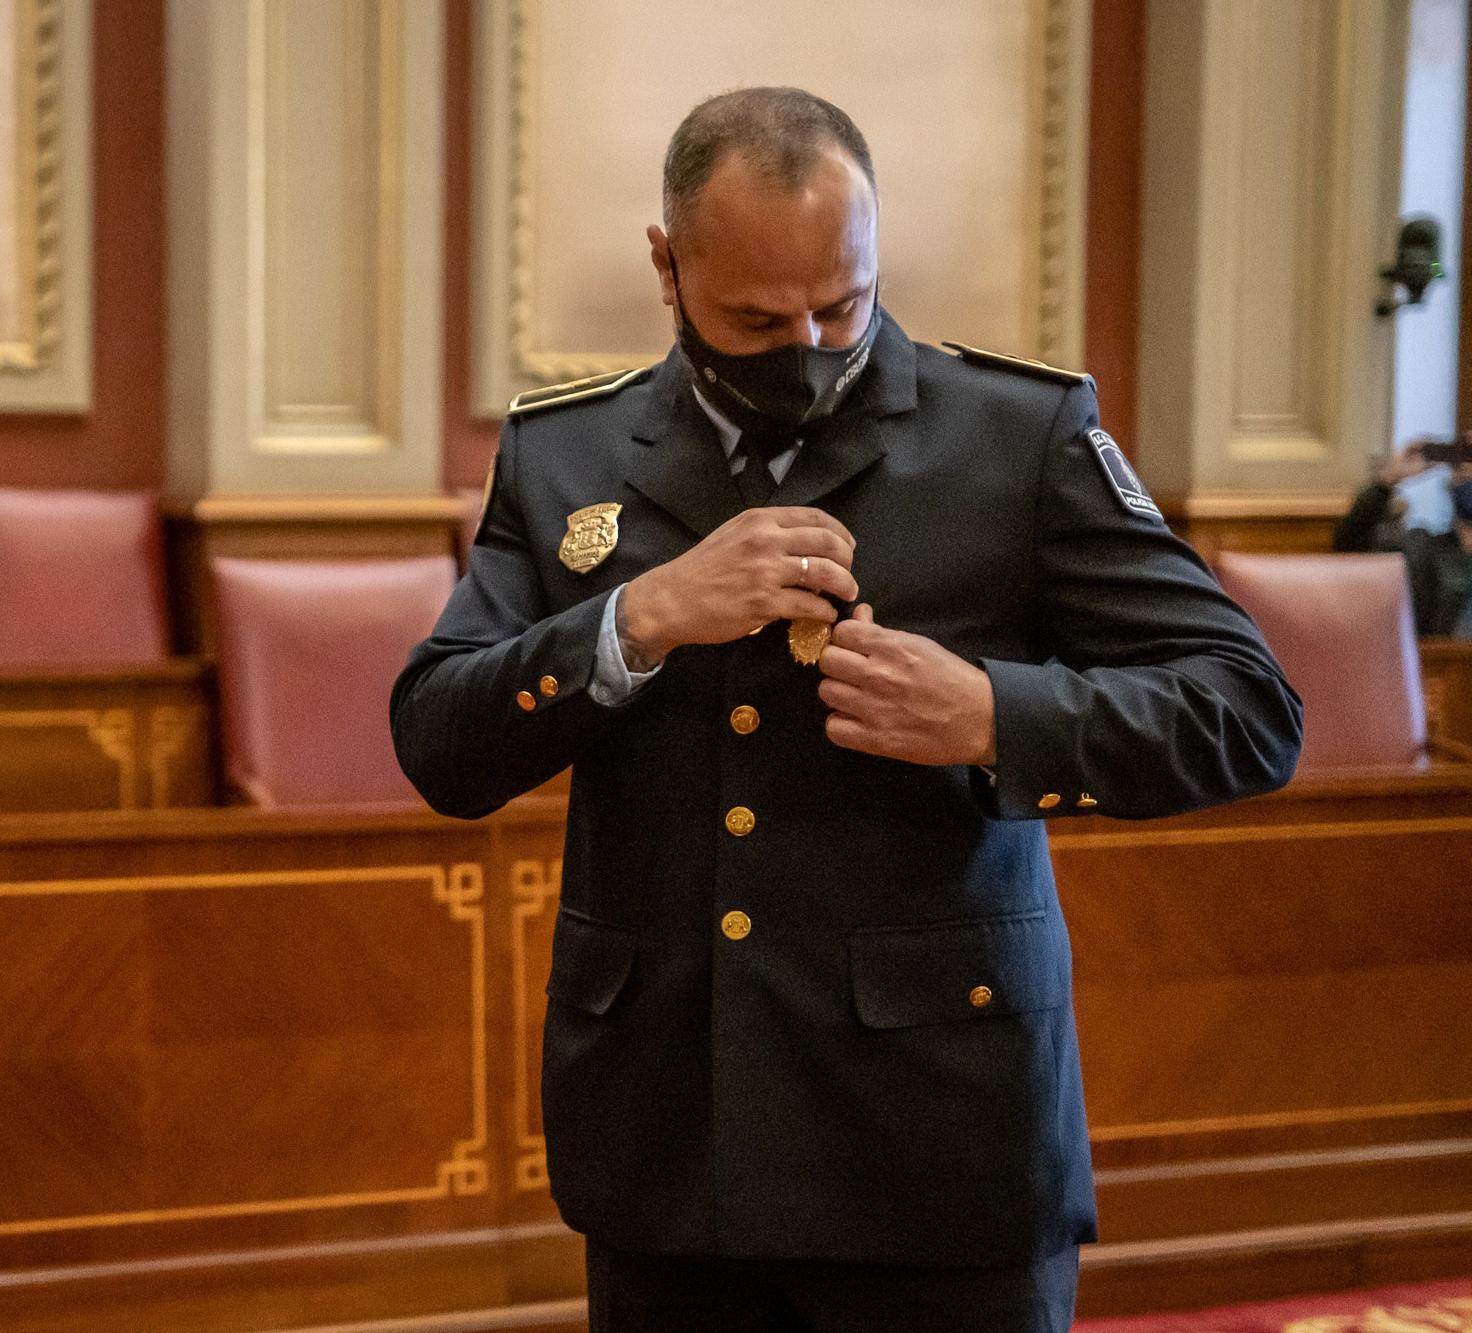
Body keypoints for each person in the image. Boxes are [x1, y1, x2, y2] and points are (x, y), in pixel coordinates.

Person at [391, 88, 1301, 1331]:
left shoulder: (1019, 436)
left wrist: (991, 713)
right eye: (756, 319)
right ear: (665, 266)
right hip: (669, 1146)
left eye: (843, 303)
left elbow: (1248, 710)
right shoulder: (566, 455)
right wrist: (639, 618)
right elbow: (438, 741)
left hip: (938, 1137)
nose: (810, 343)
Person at [1333, 439, 1472, 637]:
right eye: (1465, 469)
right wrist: (1388, 480)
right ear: (1452, 482)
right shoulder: (1422, 549)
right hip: (1436, 664)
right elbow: (1350, 548)